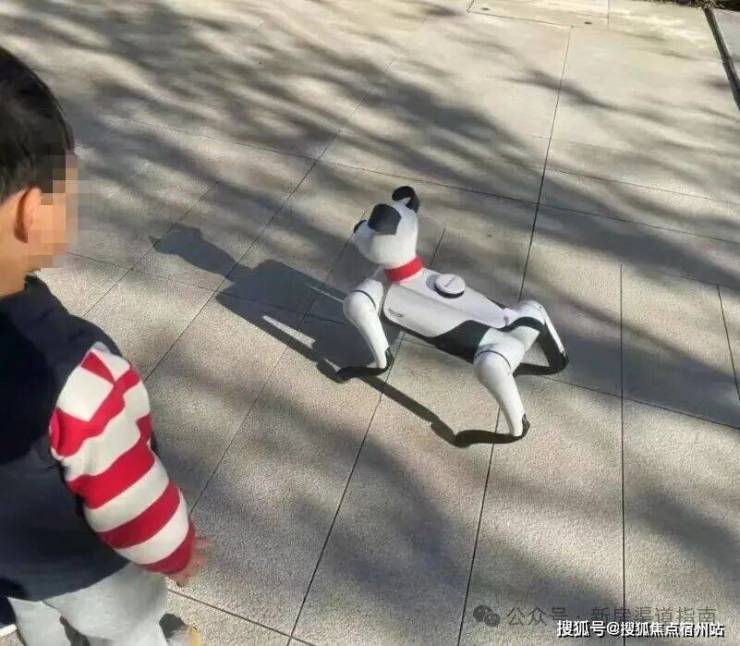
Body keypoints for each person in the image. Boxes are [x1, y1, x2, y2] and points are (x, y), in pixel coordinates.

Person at [0, 46, 206, 646]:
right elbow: (132, 500)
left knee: (40, 627)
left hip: (13, 572)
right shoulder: (74, 372)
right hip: (92, 577)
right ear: (32, 212)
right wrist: (177, 552)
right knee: (130, 628)